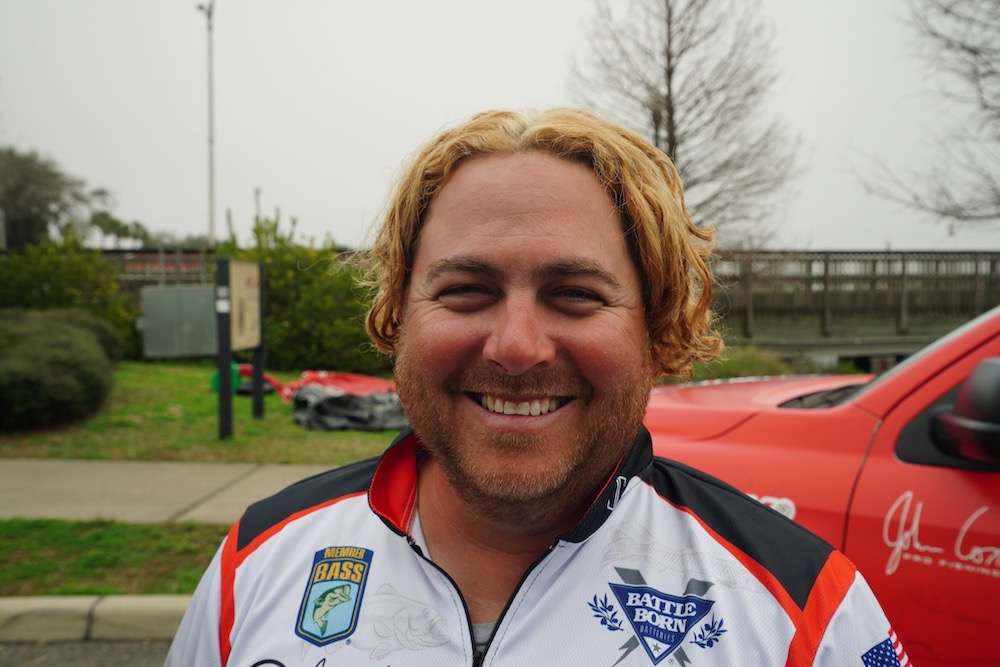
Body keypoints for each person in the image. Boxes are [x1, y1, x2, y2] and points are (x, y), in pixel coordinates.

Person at [167, 109, 906, 667]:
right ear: (398, 315)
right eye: (466, 290)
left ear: (654, 329)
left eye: (575, 294)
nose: (516, 347)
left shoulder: (807, 613)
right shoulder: (257, 561)